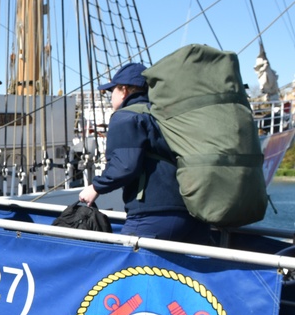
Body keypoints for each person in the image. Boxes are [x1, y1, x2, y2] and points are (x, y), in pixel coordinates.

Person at [78, 62, 210, 243]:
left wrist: (95, 187)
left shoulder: (126, 117)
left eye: (112, 91)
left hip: (153, 215)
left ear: (124, 90)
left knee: (126, 267)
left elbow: (124, 166)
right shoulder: (166, 117)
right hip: (192, 214)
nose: (110, 97)